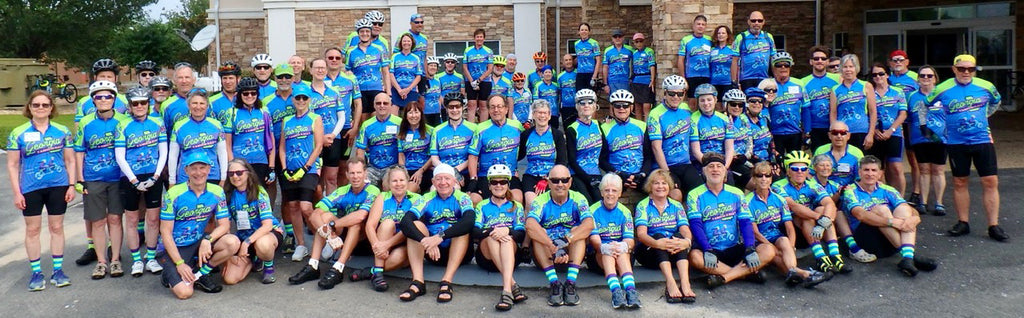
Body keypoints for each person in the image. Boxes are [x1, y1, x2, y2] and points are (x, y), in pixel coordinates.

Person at [928, 54, 1006, 241]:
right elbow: (925, 105)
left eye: (970, 69)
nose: (966, 72)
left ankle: (993, 225)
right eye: (962, 68)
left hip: (982, 141)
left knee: (990, 182)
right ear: (954, 69)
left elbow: (996, 102)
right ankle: (963, 222)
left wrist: (983, 118)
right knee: (960, 182)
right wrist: (934, 130)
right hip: (956, 143)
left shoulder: (986, 86)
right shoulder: (942, 88)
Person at [8, 91, 76, 291]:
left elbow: (70, 160)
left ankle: (58, 270)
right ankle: (36, 272)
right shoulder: (18, 133)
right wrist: (17, 192)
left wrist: (71, 185)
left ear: (51, 108)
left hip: (58, 185)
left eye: (45, 105)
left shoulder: (62, 131)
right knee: (33, 229)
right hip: (30, 187)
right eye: (36, 105)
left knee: (56, 227)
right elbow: (12, 165)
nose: (40, 108)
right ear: (29, 108)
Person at [157, 152, 240, 299]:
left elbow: (225, 225)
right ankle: (170, 273)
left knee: (232, 242)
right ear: (186, 171)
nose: (198, 172)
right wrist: (180, 263)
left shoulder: (217, 191)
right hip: (175, 247)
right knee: (185, 293)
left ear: (209, 169)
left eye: (202, 167)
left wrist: (208, 240)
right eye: (193, 168)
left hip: (198, 241)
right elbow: (165, 232)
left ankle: (201, 273)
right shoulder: (173, 194)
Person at [686, 153, 775, 289]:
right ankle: (745, 274)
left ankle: (724, 278)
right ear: (704, 171)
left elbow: (745, 222)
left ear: (725, 171)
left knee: (768, 250)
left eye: (719, 166)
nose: (715, 169)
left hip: (734, 246)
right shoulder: (694, 194)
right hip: (710, 250)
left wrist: (750, 247)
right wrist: (707, 249)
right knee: (694, 257)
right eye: (710, 167)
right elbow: (695, 225)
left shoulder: (737, 193)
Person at [840, 156, 938, 277]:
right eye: (866, 170)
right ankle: (911, 256)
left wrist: (915, 218)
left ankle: (907, 258)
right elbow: (860, 215)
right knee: (881, 209)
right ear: (859, 172)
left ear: (880, 173)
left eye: (874, 170)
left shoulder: (887, 189)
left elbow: (909, 210)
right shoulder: (851, 191)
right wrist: (891, 222)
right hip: (866, 240)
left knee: (903, 209)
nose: (870, 174)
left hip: (890, 243)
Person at [292, 158, 380, 289]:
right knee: (325, 216)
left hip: (365, 239)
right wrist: (330, 236)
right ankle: (313, 265)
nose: (355, 177)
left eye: (359, 173)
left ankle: (338, 268)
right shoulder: (342, 191)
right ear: (347, 175)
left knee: (353, 224)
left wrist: (332, 226)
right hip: (341, 240)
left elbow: (360, 216)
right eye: (352, 173)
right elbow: (315, 214)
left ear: (365, 173)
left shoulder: (373, 190)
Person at [76, 81, 130, 279]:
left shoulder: (124, 121)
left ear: (115, 99)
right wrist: (79, 179)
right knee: (98, 221)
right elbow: (79, 151)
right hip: (93, 177)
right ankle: (101, 262)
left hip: (118, 177)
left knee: (115, 219)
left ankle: (115, 259)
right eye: (99, 97)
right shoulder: (85, 122)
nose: (104, 100)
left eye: (108, 96)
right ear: (93, 100)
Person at [399, 164, 476, 303]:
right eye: (439, 179)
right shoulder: (426, 198)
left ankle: (446, 281)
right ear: (433, 182)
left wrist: (439, 237)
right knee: (415, 225)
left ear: (454, 181)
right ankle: (418, 282)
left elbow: (469, 221)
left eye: (447, 178)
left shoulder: (462, 197)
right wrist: (426, 241)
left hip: (459, 252)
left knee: (461, 227)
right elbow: (405, 222)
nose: (443, 182)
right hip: (432, 252)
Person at [746, 162, 831, 288]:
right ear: (754, 179)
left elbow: (789, 227)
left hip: (777, 236)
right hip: (759, 242)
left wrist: (791, 247)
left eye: (767, 176)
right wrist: (772, 248)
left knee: (785, 241)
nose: (764, 179)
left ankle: (794, 272)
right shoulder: (747, 202)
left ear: (771, 179)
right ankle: (806, 275)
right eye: (759, 176)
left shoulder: (779, 199)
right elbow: (755, 232)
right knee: (776, 256)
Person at [115, 87, 168, 277]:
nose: (139, 106)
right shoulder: (123, 125)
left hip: (153, 175)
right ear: (129, 106)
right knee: (132, 219)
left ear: (149, 104)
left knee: (153, 219)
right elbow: (120, 156)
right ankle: (136, 260)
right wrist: (133, 179)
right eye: (135, 103)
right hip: (130, 177)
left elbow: (164, 151)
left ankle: (151, 257)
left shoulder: (158, 122)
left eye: (143, 103)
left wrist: (155, 176)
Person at [525, 165, 593, 306]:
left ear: (570, 181)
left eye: (564, 180)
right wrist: (552, 245)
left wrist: (565, 241)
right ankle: (554, 283)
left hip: (571, 252)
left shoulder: (578, 198)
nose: (560, 184)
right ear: (548, 182)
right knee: (539, 232)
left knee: (577, 230)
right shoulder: (540, 201)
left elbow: (589, 224)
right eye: (555, 180)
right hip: (547, 253)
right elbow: (530, 225)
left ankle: (570, 283)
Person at [772, 151, 849, 274]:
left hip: (814, 229)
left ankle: (835, 255)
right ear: (787, 170)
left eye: (803, 168)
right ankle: (820, 257)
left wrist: (825, 220)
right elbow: (793, 206)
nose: (800, 171)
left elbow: (829, 203)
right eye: (795, 168)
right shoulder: (778, 186)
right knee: (805, 215)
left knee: (823, 209)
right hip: (790, 229)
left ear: (808, 171)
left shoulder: (813, 185)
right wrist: (820, 218)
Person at [632, 169, 694, 303]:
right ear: (650, 186)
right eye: (656, 183)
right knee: (659, 235)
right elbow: (641, 235)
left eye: (664, 183)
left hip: (673, 252)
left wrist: (687, 241)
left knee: (678, 236)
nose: (660, 186)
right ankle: (670, 283)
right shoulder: (643, 206)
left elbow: (684, 229)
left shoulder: (677, 205)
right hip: (649, 253)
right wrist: (657, 243)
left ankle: (685, 283)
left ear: (669, 186)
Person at [278, 85, 324, 262]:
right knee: (293, 207)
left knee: (306, 207)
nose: (301, 101)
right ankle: (301, 244)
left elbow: (319, 145)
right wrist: (283, 168)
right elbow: (282, 146)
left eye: (304, 98)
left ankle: (324, 238)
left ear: (309, 100)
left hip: (308, 169)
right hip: (289, 170)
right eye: (298, 98)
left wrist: (305, 168)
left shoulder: (315, 118)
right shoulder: (287, 120)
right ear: (293, 100)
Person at [473, 164, 529, 311]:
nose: (499, 185)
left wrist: (507, 230)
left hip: (510, 255)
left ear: (508, 185)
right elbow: (475, 232)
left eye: (503, 182)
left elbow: (521, 233)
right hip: (486, 257)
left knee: (508, 238)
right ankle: (511, 284)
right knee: (493, 238)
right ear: (489, 186)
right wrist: (494, 230)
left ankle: (507, 291)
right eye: (494, 182)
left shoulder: (516, 206)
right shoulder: (482, 205)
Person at [220, 159, 281, 285]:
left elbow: (267, 225)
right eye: (231, 174)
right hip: (244, 236)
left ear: (248, 173)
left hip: (266, 233)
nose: (235, 177)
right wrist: (229, 255)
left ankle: (268, 266)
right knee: (230, 279)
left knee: (262, 244)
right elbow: (225, 225)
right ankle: (254, 259)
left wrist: (247, 243)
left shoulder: (259, 192)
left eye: (239, 173)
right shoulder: (227, 195)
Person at [361, 166, 420, 292]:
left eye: (401, 180)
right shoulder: (383, 197)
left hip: (403, 242)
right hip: (383, 240)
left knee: (398, 257)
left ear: (407, 181)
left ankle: (374, 271)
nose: (398, 184)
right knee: (388, 223)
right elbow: (370, 225)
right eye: (394, 181)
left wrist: (387, 244)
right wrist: (377, 246)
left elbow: (411, 229)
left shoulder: (416, 199)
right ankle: (378, 275)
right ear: (388, 183)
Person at [811, 153, 877, 264]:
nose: (825, 168)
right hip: (815, 220)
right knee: (828, 210)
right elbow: (820, 204)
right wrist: (836, 196)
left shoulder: (833, 184)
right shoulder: (810, 184)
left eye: (828, 165)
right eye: (822, 165)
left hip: (831, 220)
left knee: (841, 212)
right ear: (815, 168)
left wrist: (848, 190)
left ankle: (852, 247)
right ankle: (852, 248)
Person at [588, 174, 641, 309]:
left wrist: (621, 246)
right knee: (608, 252)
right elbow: (594, 240)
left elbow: (630, 240)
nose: (610, 194)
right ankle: (616, 292)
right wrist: (606, 247)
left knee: (622, 251)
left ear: (620, 193)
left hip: (621, 256)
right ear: (601, 192)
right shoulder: (593, 211)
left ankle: (631, 291)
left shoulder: (625, 212)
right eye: (607, 190)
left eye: (614, 190)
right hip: (599, 256)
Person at [648, 75, 700, 199]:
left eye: (680, 94)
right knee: (676, 195)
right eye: (672, 94)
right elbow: (656, 147)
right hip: (666, 165)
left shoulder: (686, 110)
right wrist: (667, 173)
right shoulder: (655, 114)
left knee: (700, 194)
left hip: (685, 163)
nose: (676, 97)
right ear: (665, 93)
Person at [905, 66, 947, 216]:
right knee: (923, 170)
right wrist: (910, 139)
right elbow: (908, 119)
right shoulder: (911, 96)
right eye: (922, 76)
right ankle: (922, 202)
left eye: (930, 76)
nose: (926, 78)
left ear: (935, 78)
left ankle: (939, 203)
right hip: (919, 138)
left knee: (938, 170)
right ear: (918, 79)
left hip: (940, 138)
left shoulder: (943, 95)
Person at [468, 94, 524, 204]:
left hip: (510, 175)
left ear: (506, 109)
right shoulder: (480, 128)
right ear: (488, 110)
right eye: (492, 107)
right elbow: (473, 156)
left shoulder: (517, 126)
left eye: (499, 106)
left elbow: (525, 147)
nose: (496, 110)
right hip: (486, 175)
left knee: (517, 199)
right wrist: (473, 179)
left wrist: (516, 167)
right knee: (474, 200)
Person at [224, 77, 276, 189]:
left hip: (260, 161)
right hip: (240, 163)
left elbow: (271, 140)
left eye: (253, 93)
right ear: (240, 95)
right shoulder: (231, 113)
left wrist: (271, 167)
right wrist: (231, 164)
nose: (249, 96)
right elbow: (227, 144)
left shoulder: (264, 111)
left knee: (259, 196)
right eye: (246, 93)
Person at [168, 89, 228, 186]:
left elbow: (222, 153)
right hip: (186, 176)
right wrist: (172, 180)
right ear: (188, 105)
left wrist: (223, 177)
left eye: (202, 103)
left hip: (212, 175)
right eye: (194, 103)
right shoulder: (178, 126)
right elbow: (173, 155)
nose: (198, 107)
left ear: (207, 106)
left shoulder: (217, 125)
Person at [321, 50, 362, 187]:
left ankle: (341, 198)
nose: (334, 60)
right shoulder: (320, 79)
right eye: (330, 57)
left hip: (345, 129)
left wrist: (355, 127)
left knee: (344, 166)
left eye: (337, 58)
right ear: (325, 59)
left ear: (342, 60)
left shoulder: (351, 79)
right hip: (326, 129)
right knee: (325, 169)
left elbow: (357, 103)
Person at [519, 100, 567, 213]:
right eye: (539, 112)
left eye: (545, 113)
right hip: (531, 175)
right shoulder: (526, 135)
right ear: (534, 115)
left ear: (549, 115)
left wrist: (549, 179)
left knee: (551, 204)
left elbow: (562, 161)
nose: (542, 116)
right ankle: (530, 230)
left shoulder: (557, 135)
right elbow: (518, 156)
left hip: (552, 177)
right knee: (531, 204)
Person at [868, 63, 908, 194]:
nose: (878, 77)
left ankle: (900, 198)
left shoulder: (897, 92)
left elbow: (903, 114)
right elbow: (866, 114)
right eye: (875, 74)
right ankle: (883, 197)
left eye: (881, 73)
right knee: (879, 170)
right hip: (876, 134)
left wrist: (891, 130)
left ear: (887, 75)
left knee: (895, 167)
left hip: (894, 133)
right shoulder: (869, 92)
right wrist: (873, 130)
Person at [307, 59, 345, 193]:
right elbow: (305, 119)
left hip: (333, 139)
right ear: (310, 70)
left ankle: (330, 209)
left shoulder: (334, 91)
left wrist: (333, 135)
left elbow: (341, 117)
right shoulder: (305, 93)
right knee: (316, 179)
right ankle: (317, 209)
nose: (320, 70)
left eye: (323, 68)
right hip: (313, 141)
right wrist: (320, 138)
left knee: (331, 178)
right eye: (317, 68)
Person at [601, 90, 649, 192]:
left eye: (625, 106)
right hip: (616, 174)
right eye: (617, 106)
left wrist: (642, 174)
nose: (622, 108)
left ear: (631, 107)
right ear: (612, 108)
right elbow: (602, 160)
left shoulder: (642, 126)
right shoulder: (604, 128)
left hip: (640, 174)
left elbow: (649, 156)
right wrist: (618, 173)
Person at [830, 54, 877, 151]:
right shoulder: (835, 89)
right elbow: (833, 113)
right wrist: (833, 132)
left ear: (856, 68)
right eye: (845, 67)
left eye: (851, 67)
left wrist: (871, 134)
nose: (848, 70)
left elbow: (873, 112)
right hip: (842, 133)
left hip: (861, 131)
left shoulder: (866, 86)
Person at [356, 92, 403, 187]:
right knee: (363, 185)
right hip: (373, 168)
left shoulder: (399, 123)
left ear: (390, 105)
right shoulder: (366, 125)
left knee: (387, 186)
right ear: (374, 105)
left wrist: (400, 168)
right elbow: (360, 150)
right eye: (378, 103)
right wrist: (362, 170)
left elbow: (403, 149)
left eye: (385, 103)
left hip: (392, 167)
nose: (382, 106)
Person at [766, 52, 808, 156]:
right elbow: (760, 109)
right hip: (774, 133)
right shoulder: (766, 84)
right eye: (779, 65)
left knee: (794, 162)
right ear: (773, 67)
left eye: (786, 65)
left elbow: (806, 108)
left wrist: (807, 131)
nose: (783, 68)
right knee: (777, 164)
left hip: (794, 131)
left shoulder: (799, 84)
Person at [564, 94, 603, 202]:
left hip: (595, 173)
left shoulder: (598, 125)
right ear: (577, 107)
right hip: (578, 174)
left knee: (600, 202)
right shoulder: (572, 129)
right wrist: (587, 178)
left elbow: (604, 154)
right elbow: (571, 160)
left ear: (595, 106)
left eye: (590, 102)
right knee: (587, 202)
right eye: (582, 103)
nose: (586, 105)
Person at [801, 46, 841, 150]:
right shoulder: (803, 82)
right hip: (815, 127)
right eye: (816, 58)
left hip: (835, 126)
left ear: (828, 62)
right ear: (811, 62)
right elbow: (804, 108)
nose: (820, 61)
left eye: (823, 59)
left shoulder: (838, 79)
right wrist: (806, 130)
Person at [349, 18, 391, 116]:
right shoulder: (351, 52)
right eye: (362, 31)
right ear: (358, 33)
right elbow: (348, 72)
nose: (365, 34)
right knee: (362, 120)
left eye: (367, 31)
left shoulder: (379, 49)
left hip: (376, 88)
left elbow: (385, 72)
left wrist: (388, 93)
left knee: (377, 116)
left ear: (370, 32)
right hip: (359, 90)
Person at [430, 92, 476, 181]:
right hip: (444, 173)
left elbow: (475, 156)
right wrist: (448, 171)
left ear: (463, 107)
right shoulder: (437, 130)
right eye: (451, 107)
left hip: (466, 172)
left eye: (458, 106)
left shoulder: (474, 129)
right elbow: (434, 158)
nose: (455, 110)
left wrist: (456, 170)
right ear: (446, 109)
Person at [690, 84, 735, 174]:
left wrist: (725, 166)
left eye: (709, 99)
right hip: (702, 162)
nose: (706, 103)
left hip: (722, 162)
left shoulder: (725, 119)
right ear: (698, 102)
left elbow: (729, 148)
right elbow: (695, 151)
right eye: (702, 100)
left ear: (715, 100)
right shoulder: (693, 120)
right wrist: (710, 167)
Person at [75, 58, 128, 124]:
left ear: (116, 79)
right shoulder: (83, 102)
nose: (105, 80)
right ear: (95, 78)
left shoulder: (125, 101)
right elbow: (79, 127)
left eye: (109, 77)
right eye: (102, 76)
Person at [733, 11, 776, 90]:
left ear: (763, 22)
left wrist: (776, 77)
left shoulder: (768, 37)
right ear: (748, 22)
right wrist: (734, 81)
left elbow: (774, 59)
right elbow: (735, 60)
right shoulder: (741, 37)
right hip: (746, 79)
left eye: (759, 21)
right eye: (753, 20)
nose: (756, 23)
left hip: (764, 78)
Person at [814, 121, 864, 188]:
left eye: (843, 133)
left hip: (849, 191)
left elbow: (861, 177)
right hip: (824, 191)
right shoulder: (820, 151)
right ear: (829, 135)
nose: (839, 136)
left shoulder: (857, 153)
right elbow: (811, 173)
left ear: (848, 136)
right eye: (835, 133)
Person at [677, 15, 712, 106]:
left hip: (707, 76)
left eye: (703, 24)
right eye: (698, 24)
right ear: (694, 26)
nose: (700, 26)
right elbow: (681, 60)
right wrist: (683, 78)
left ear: (705, 26)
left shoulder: (710, 40)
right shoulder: (686, 40)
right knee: (692, 103)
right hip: (692, 76)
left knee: (706, 103)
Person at [398, 101, 433, 192]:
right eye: (410, 112)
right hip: (407, 170)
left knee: (409, 190)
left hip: (425, 169)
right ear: (406, 115)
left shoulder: (431, 131)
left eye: (416, 112)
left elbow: (433, 156)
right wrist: (403, 172)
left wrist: (421, 171)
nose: (413, 116)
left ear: (421, 114)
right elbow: (401, 155)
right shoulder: (401, 133)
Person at [463, 28, 495, 123]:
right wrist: (471, 81)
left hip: (484, 81)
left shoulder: (488, 51)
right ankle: (471, 127)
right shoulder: (467, 50)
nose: (479, 39)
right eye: (477, 37)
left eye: (481, 37)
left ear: (484, 39)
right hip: (470, 80)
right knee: (471, 104)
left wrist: (478, 81)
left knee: (483, 105)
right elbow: (465, 67)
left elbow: (490, 68)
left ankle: (483, 127)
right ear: (474, 38)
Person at [723, 89, 753, 189]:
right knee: (753, 181)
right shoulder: (722, 120)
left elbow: (749, 141)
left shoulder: (744, 119)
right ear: (726, 104)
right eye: (733, 104)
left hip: (744, 158)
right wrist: (735, 156)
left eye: (740, 105)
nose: (737, 107)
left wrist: (746, 155)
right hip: (729, 160)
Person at [160, 63, 198, 135]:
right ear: (174, 81)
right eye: (180, 77)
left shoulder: (204, 102)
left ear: (194, 80)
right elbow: (163, 133)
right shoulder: (167, 105)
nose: (184, 81)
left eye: (187, 77)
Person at [391, 33, 423, 112]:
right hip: (396, 90)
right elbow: (390, 74)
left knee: (410, 115)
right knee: (393, 116)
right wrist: (399, 90)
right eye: (404, 41)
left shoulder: (416, 58)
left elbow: (418, 76)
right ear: (401, 43)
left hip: (411, 91)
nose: (406, 43)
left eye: (408, 41)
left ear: (412, 43)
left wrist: (408, 89)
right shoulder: (394, 57)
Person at [630, 32, 657, 120]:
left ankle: (647, 127)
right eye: (636, 42)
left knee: (646, 106)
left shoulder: (649, 51)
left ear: (644, 41)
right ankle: (640, 127)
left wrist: (652, 80)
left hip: (646, 79)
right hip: (636, 80)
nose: (639, 43)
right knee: (637, 106)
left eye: (640, 41)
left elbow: (652, 65)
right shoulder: (634, 53)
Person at [396, 13, 430, 78]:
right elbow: (395, 56)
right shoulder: (404, 36)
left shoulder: (424, 38)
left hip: (422, 74)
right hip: (409, 74)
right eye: (417, 22)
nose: (420, 24)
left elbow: (424, 57)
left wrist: (427, 74)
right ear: (411, 23)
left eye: (421, 22)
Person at [709, 25, 738, 101]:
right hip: (714, 82)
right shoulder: (711, 50)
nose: (721, 35)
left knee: (726, 106)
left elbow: (736, 66)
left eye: (723, 33)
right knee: (716, 105)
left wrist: (735, 81)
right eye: (719, 33)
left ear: (727, 35)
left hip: (728, 83)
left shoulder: (732, 49)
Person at [745, 88, 773, 165]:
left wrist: (775, 156)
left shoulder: (764, 119)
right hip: (752, 162)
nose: (757, 103)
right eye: (753, 101)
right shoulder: (743, 122)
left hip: (767, 159)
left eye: (760, 101)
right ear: (746, 103)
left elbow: (771, 141)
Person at [603, 29, 632, 98]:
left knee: (626, 101)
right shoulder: (608, 51)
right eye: (615, 37)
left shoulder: (630, 50)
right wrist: (605, 84)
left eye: (620, 36)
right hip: (612, 80)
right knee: (613, 102)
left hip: (625, 80)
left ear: (623, 38)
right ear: (612, 39)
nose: (617, 38)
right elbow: (605, 67)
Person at [574, 23, 601, 92]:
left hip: (590, 73)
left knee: (590, 97)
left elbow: (598, 60)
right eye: (582, 30)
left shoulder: (594, 43)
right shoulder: (576, 44)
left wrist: (594, 76)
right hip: (580, 73)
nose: (584, 32)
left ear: (589, 32)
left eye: (586, 30)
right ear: (579, 32)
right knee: (580, 96)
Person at [557, 54, 579, 129]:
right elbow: (559, 93)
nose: (568, 62)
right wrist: (559, 107)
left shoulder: (578, 74)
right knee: (567, 129)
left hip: (577, 106)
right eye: (566, 60)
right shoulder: (560, 76)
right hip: (565, 107)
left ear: (573, 61)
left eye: (570, 60)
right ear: (563, 62)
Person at [421, 56, 444, 126]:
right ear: (426, 67)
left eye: (435, 66)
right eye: (431, 65)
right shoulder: (422, 81)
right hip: (425, 113)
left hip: (436, 113)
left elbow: (439, 97)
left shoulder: (438, 81)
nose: (433, 67)